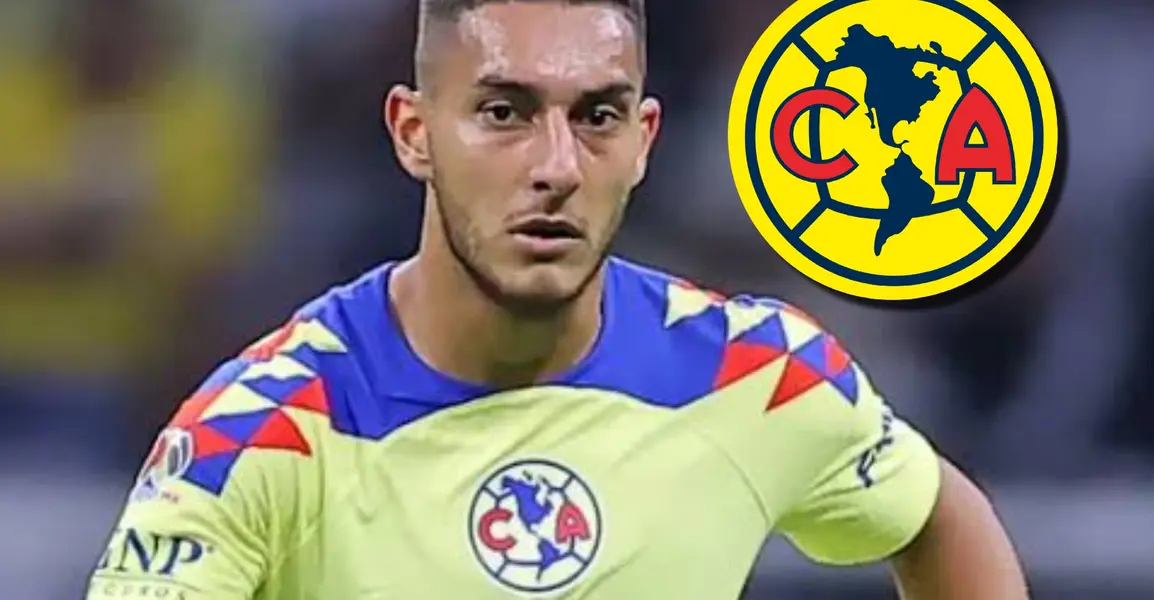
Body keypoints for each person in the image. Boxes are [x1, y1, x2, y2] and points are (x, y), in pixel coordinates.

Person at [85, 0, 1027, 598]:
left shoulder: (757, 375)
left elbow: (940, 517)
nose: (557, 166)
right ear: (414, 133)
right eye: (504, 112)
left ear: (644, 140)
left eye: (597, 116)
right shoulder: (264, 431)